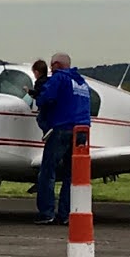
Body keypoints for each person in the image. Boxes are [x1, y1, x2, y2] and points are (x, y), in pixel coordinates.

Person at [37, 52, 93, 224]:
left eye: (52, 65)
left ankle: (47, 213)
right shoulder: (82, 82)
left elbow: (45, 98)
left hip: (62, 128)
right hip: (82, 132)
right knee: (71, 174)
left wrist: (40, 103)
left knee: (48, 171)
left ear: (56, 65)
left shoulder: (59, 78)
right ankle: (65, 214)